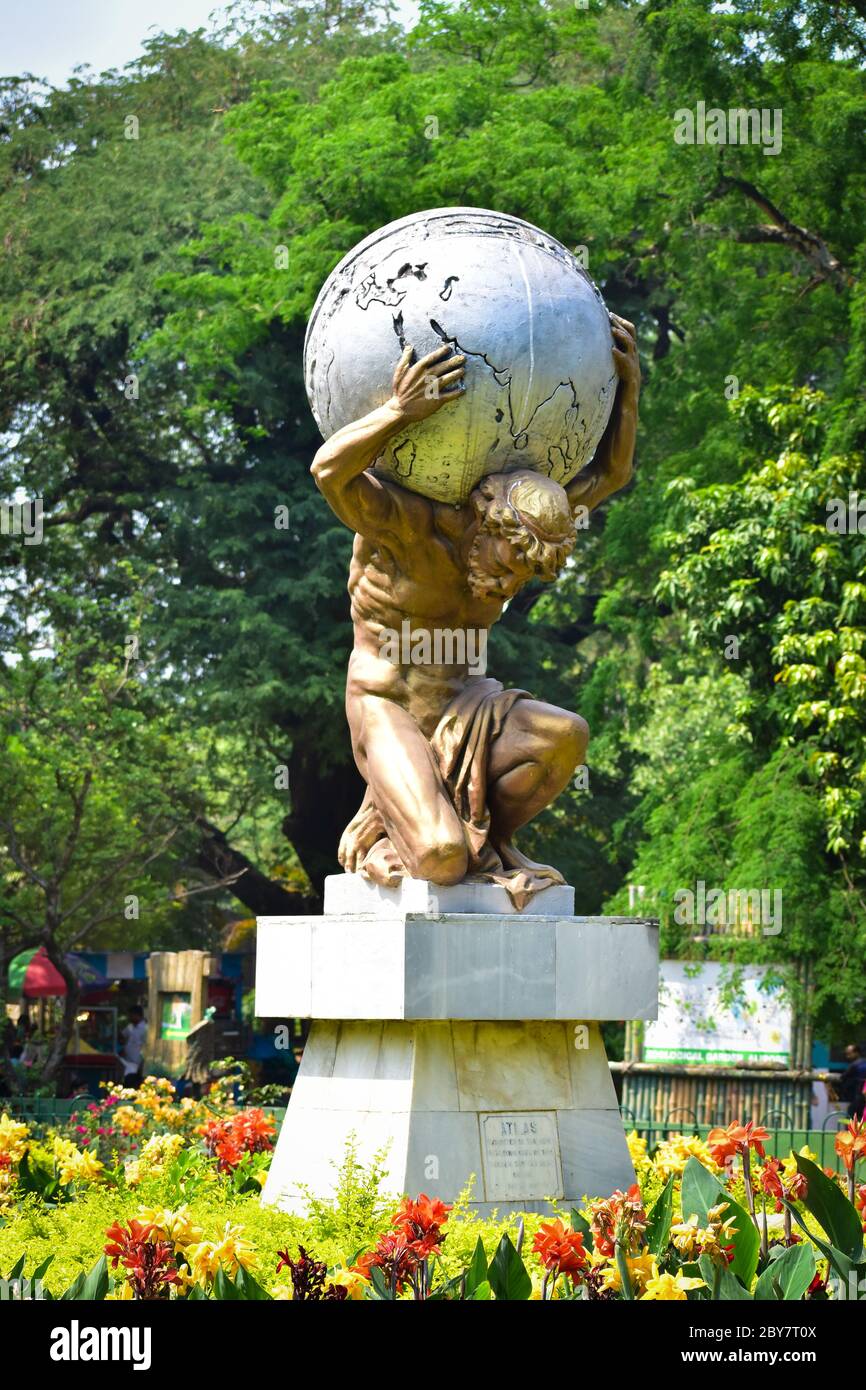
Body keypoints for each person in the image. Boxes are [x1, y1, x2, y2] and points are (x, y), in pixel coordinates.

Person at [311, 316, 639, 909]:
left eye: (524, 575)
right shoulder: (409, 529)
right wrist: (401, 413)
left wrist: (628, 389)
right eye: (510, 562)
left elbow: (612, 474)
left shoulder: (515, 541)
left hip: (466, 703)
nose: (510, 583)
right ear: (487, 521)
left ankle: (483, 836)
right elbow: (329, 471)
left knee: (566, 737)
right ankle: (395, 818)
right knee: (439, 860)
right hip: (390, 704)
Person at [120, 1005, 147, 1087]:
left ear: (137, 1015)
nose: (129, 1017)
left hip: (138, 1063)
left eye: (131, 1015)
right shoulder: (130, 1027)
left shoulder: (146, 1028)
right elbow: (122, 1037)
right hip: (128, 1062)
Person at [838, 1043, 866, 1119]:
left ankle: (851, 1130)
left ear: (856, 1053)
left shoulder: (855, 1064)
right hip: (862, 1094)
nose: (848, 1056)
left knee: (851, 1112)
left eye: (849, 1054)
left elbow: (843, 1077)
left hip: (860, 1094)